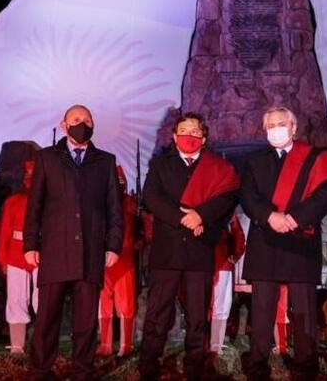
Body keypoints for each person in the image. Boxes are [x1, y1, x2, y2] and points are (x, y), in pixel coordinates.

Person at [240, 106, 327, 380]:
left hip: (301, 241)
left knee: (304, 311)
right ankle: (257, 365)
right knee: (261, 311)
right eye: (270, 124)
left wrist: (295, 218)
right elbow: (248, 197)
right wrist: (270, 216)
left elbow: (325, 195)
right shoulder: (254, 160)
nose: (275, 129)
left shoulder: (313, 158)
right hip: (266, 241)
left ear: (294, 128)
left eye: (281, 123)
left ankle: (306, 366)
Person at [23, 105, 124, 381]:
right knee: (47, 317)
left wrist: (113, 245)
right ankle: (40, 370)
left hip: (91, 251)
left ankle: (83, 370)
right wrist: (31, 244)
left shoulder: (104, 161)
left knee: (85, 320)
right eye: (77, 120)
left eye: (88, 119)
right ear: (64, 125)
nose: (83, 124)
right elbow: (34, 206)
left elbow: (114, 208)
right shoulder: (47, 158)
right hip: (54, 250)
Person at [139, 112, 240, 381]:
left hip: (200, 250)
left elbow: (228, 198)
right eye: (183, 130)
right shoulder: (161, 164)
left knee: (198, 314)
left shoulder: (218, 168)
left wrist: (202, 215)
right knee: (158, 312)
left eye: (195, 131)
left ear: (204, 138)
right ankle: (148, 366)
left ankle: (195, 367)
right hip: (166, 251)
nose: (189, 135)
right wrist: (185, 218)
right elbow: (151, 197)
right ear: (174, 136)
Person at [96, 165, 139, 358]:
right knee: (104, 304)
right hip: (104, 260)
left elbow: (141, 229)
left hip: (124, 260)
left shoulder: (129, 204)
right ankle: (105, 344)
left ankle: (125, 345)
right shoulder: (101, 204)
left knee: (125, 305)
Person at [0, 160, 37, 355]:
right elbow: (5, 232)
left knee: (43, 299)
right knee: (16, 298)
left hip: (41, 253)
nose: (29, 180)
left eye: (33, 177)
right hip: (16, 253)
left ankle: (43, 344)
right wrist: (3, 259)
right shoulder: (13, 202)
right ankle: (17, 345)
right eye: (27, 177)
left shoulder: (51, 201)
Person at [209, 214, 246, 355]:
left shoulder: (229, 215)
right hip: (215, 265)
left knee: (222, 306)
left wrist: (235, 256)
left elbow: (240, 238)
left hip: (223, 265)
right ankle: (214, 344)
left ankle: (216, 344)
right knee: (217, 306)